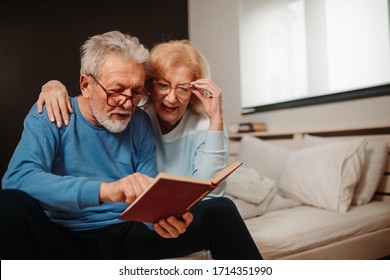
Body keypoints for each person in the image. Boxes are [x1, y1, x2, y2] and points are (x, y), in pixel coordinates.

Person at [1, 31, 262, 260]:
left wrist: (160, 221)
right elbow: (18, 180)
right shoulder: (50, 113)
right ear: (86, 84)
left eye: (136, 92)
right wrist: (104, 190)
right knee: (10, 204)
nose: (127, 104)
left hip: (126, 233)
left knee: (220, 210)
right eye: (116, 91)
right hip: (63, 236)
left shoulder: (139, 122)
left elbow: (147, 194)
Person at [38, 40, 229, 197]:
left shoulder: (207, 126)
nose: (171, 98)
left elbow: (212, 193)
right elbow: (98, 97)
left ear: (194, 91)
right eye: (163, 85)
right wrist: (53, 86)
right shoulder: (137, 117)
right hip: (151, 210)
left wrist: (216, 118)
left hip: (186, 208)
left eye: (183, 89)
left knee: (223, 207)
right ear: (148, 85)